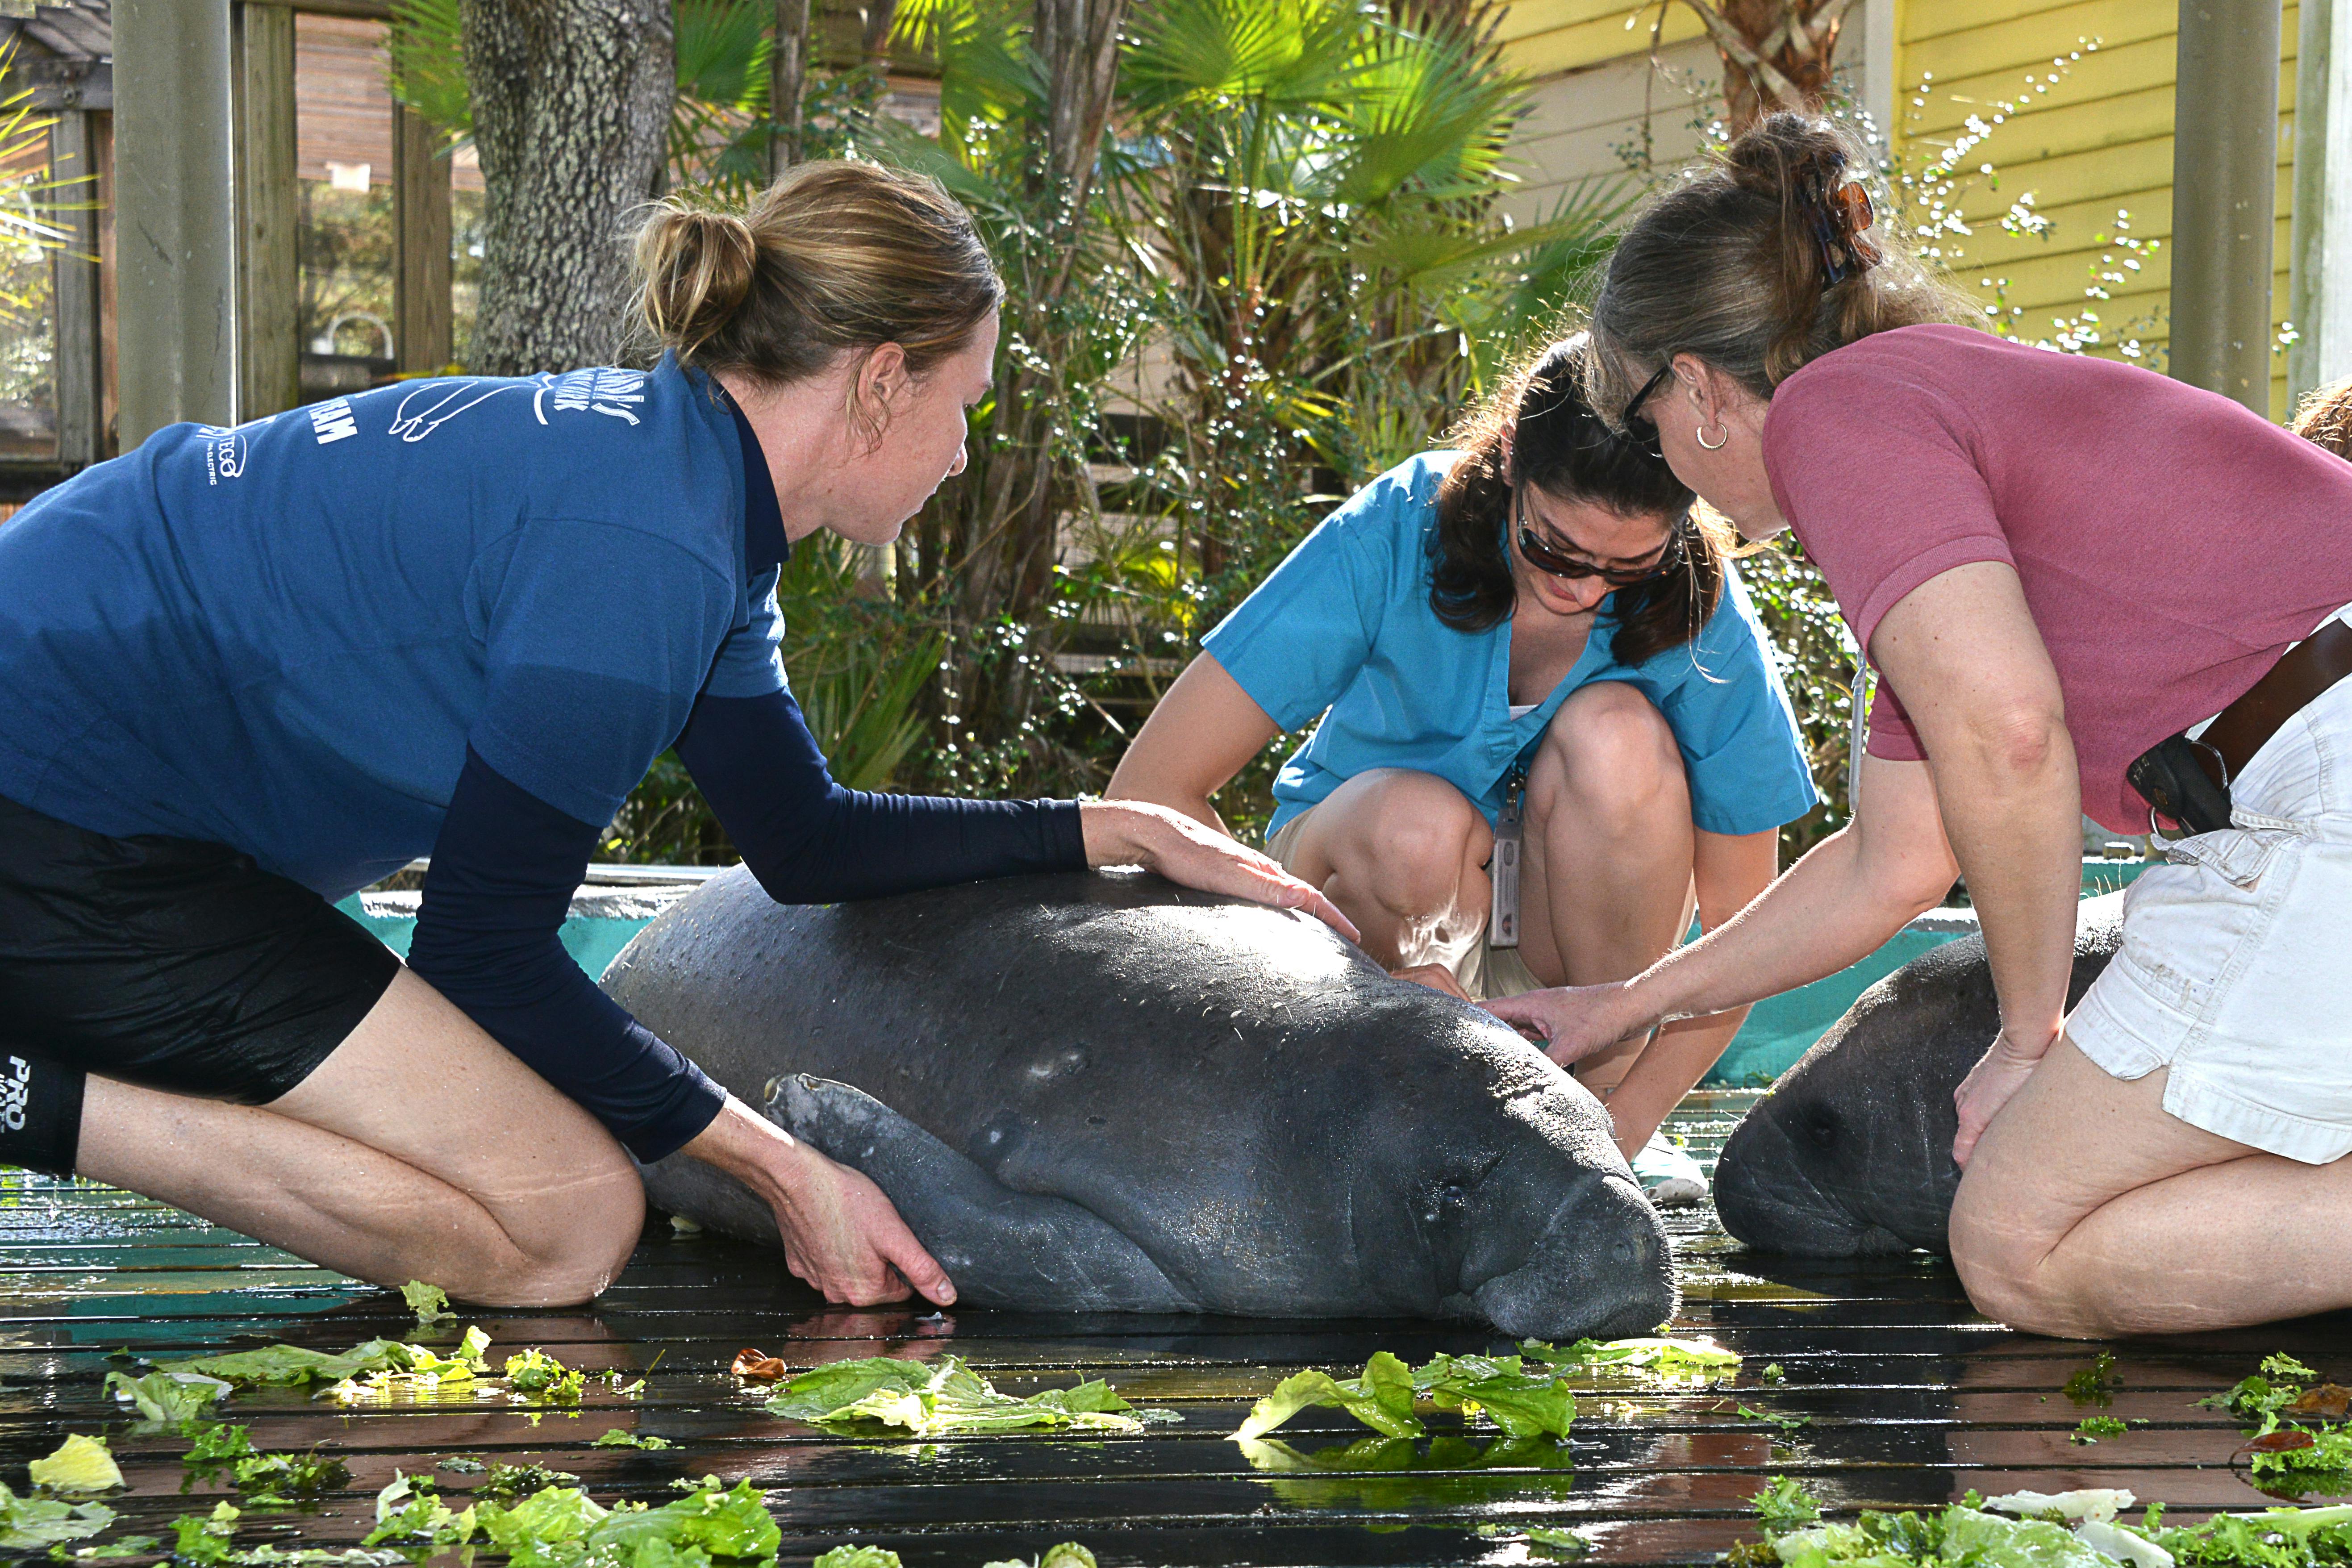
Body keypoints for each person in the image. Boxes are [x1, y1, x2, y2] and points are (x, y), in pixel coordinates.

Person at [0, 161, 1351, 1310]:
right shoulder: (645, 555)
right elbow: (484, 950)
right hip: (57, 822)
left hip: (103, 790)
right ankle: (21, 1097)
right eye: (964, 402)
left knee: (551, 1172)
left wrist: (1109, 825)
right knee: (566, 1224)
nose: (959, 451)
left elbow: (798, 837)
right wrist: (785, 1170)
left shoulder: (680, 479)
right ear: (882, 383)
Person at [1497, 113, 2352, 1336]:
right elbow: (1888, 864)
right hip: (2313, 759)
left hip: (2322, 775)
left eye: (1642, 429)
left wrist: (2023, 1034)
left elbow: (2008, 735)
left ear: (1691, 386)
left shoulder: (1835, 414)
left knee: (2015, 1242)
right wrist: (1618, 1005)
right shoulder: (1934, 410)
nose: (1673, 481)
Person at [1107, 337, 1821, 1195]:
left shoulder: (1699, 601)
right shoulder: (1402, 523)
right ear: (1513, 462)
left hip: (1573, 983)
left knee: (1617, 735)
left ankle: (1581, 1096)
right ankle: (1374, 1079)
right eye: (1555, 551)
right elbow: (1150, 791)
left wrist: (1621, 1130)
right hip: (1358, 923)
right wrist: (1320, 970)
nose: (1585, 592)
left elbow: (1751, 936)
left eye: (1626, 569)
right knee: (1417, 827)